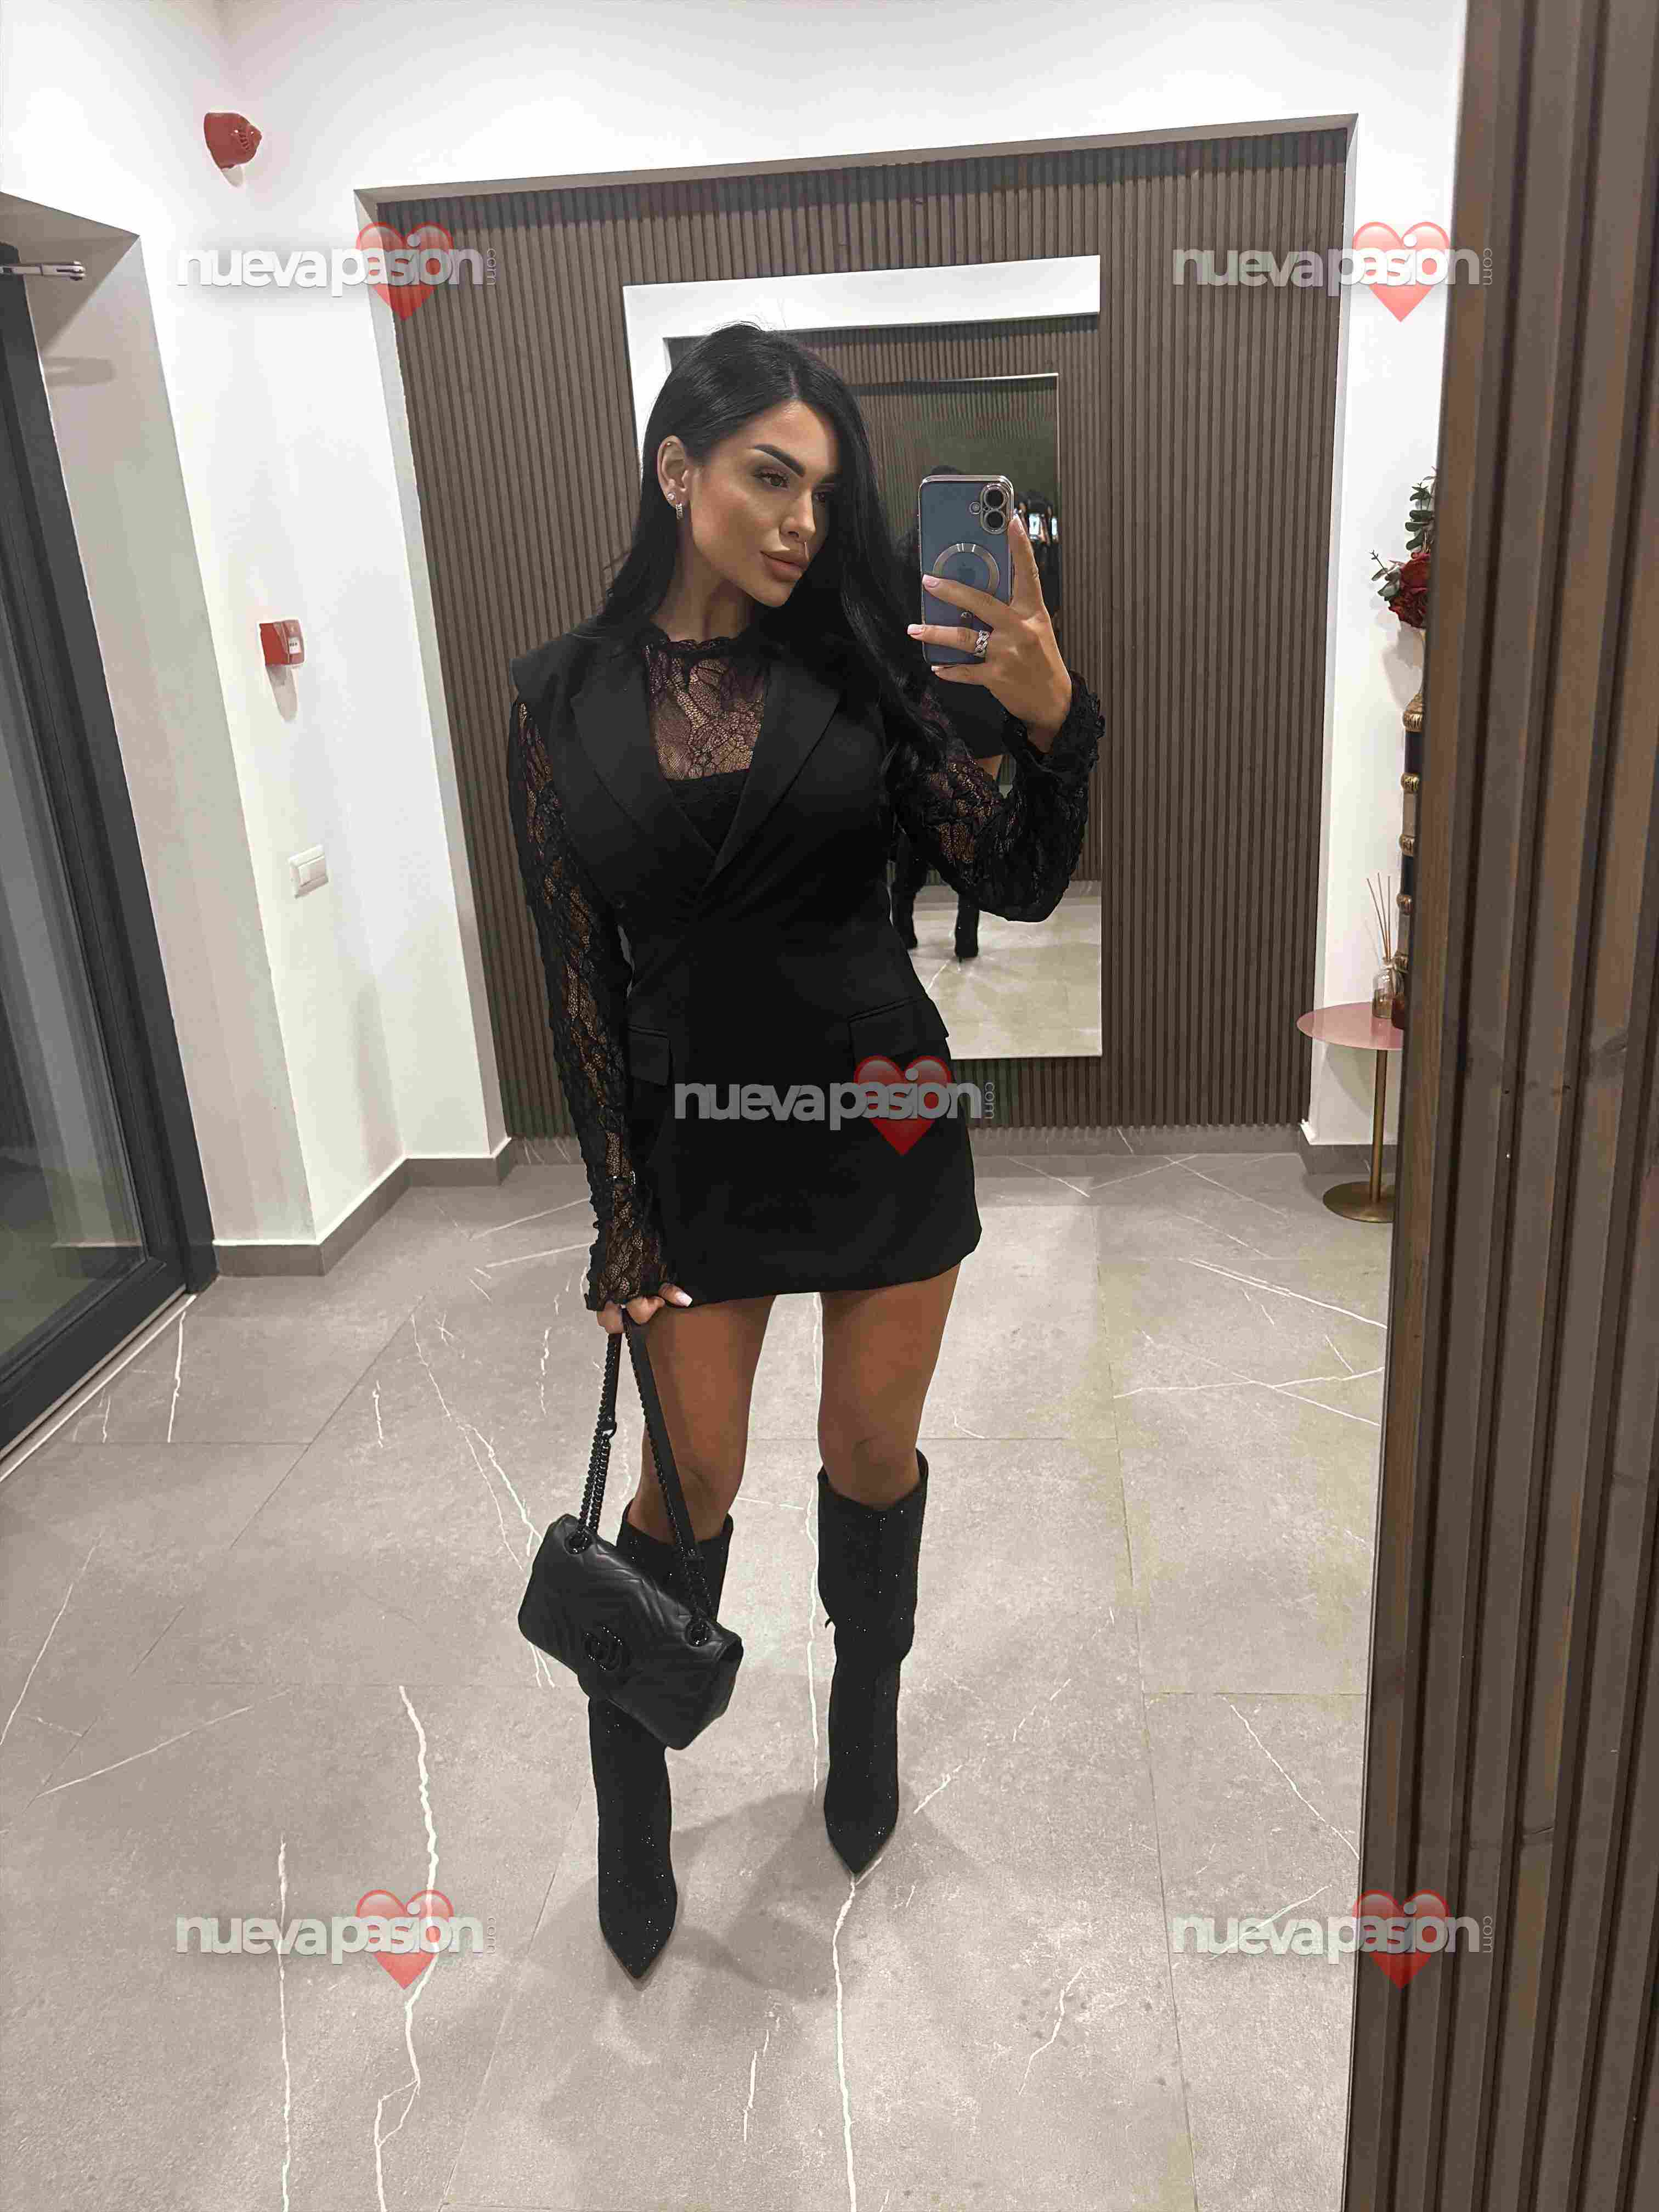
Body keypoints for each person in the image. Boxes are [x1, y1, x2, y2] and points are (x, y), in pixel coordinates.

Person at [505, 321, 1101, 1980]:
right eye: (770, 476)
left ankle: (865, 1709)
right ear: (675, 468)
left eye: (823, 492)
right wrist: (618, 1218)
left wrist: (1055, 720)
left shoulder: (859, 676)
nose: (799, 519)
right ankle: (632, 1787)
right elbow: (578, 987)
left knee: (869, 1453)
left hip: (882, 1123)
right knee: (687, 1488)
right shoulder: (557, 702)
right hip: (692, 1148)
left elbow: (1017, 877)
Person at [890, 473, 1011, 960]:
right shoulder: (911, 565)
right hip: (958, 699)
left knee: (933, 818)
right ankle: (958, 928)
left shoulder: (903, 565)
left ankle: (913, 917)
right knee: (967, 818)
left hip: (946, 699)